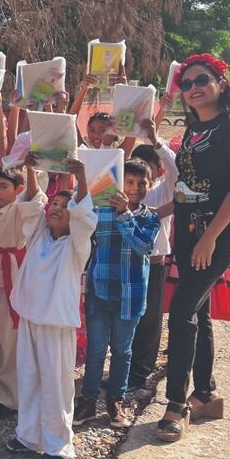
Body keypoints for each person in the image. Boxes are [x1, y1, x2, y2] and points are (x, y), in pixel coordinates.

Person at [156, 53, 230, 443]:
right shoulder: (197, 127)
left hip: (216, 234)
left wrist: (210, 237)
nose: (194, 88)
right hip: (188, 229)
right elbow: (188, 188)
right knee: (198, 310)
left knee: (181, 311)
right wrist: (156, 211)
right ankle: (205, 392)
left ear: (220, 82)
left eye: (201, 80)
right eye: (186, 84)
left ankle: (175, 404)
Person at [6, 158, 97, 459]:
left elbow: (85, 214)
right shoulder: (39, 236)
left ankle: (58, 445)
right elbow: (32, 204)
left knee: (56, 384)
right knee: (28, 378)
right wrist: (32, 170)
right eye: (55, 203)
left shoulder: (76, 247)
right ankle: (28, 435)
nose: (57, 207)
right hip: (30, 319)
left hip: (56, 326)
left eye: (65, 204)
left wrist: (80, 176)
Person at [74, 159, 160, 428]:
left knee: (122, 351)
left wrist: (125, 215)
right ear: (119, 184)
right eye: (129, 183)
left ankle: (115, 401)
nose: (135, 188)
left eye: (141, 183)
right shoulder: (101, 211)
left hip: (130, 296)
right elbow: (81, 230)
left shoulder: (150, 218)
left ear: (151, 184)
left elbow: (142, 246)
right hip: (100, 292)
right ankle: (87, 400)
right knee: (96, 350)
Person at [0, 163, 47, 418]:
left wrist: (30, 171)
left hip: (8, 280)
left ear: (17, 190)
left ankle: (11, 398)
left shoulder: (19, 209)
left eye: (3, 187)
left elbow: (36, 201)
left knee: (9, 340)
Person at [127, 109, 178, 390]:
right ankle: (126, 368)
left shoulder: (163, 190)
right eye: (137, 167)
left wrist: (158, 142)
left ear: (159, 171)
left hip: (154, 261)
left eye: (149, 167)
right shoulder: (127, 193)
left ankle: (140, 373)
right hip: (128, 261)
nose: (141, 175)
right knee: (127, 316)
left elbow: (179, 169)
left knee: (149, 319)